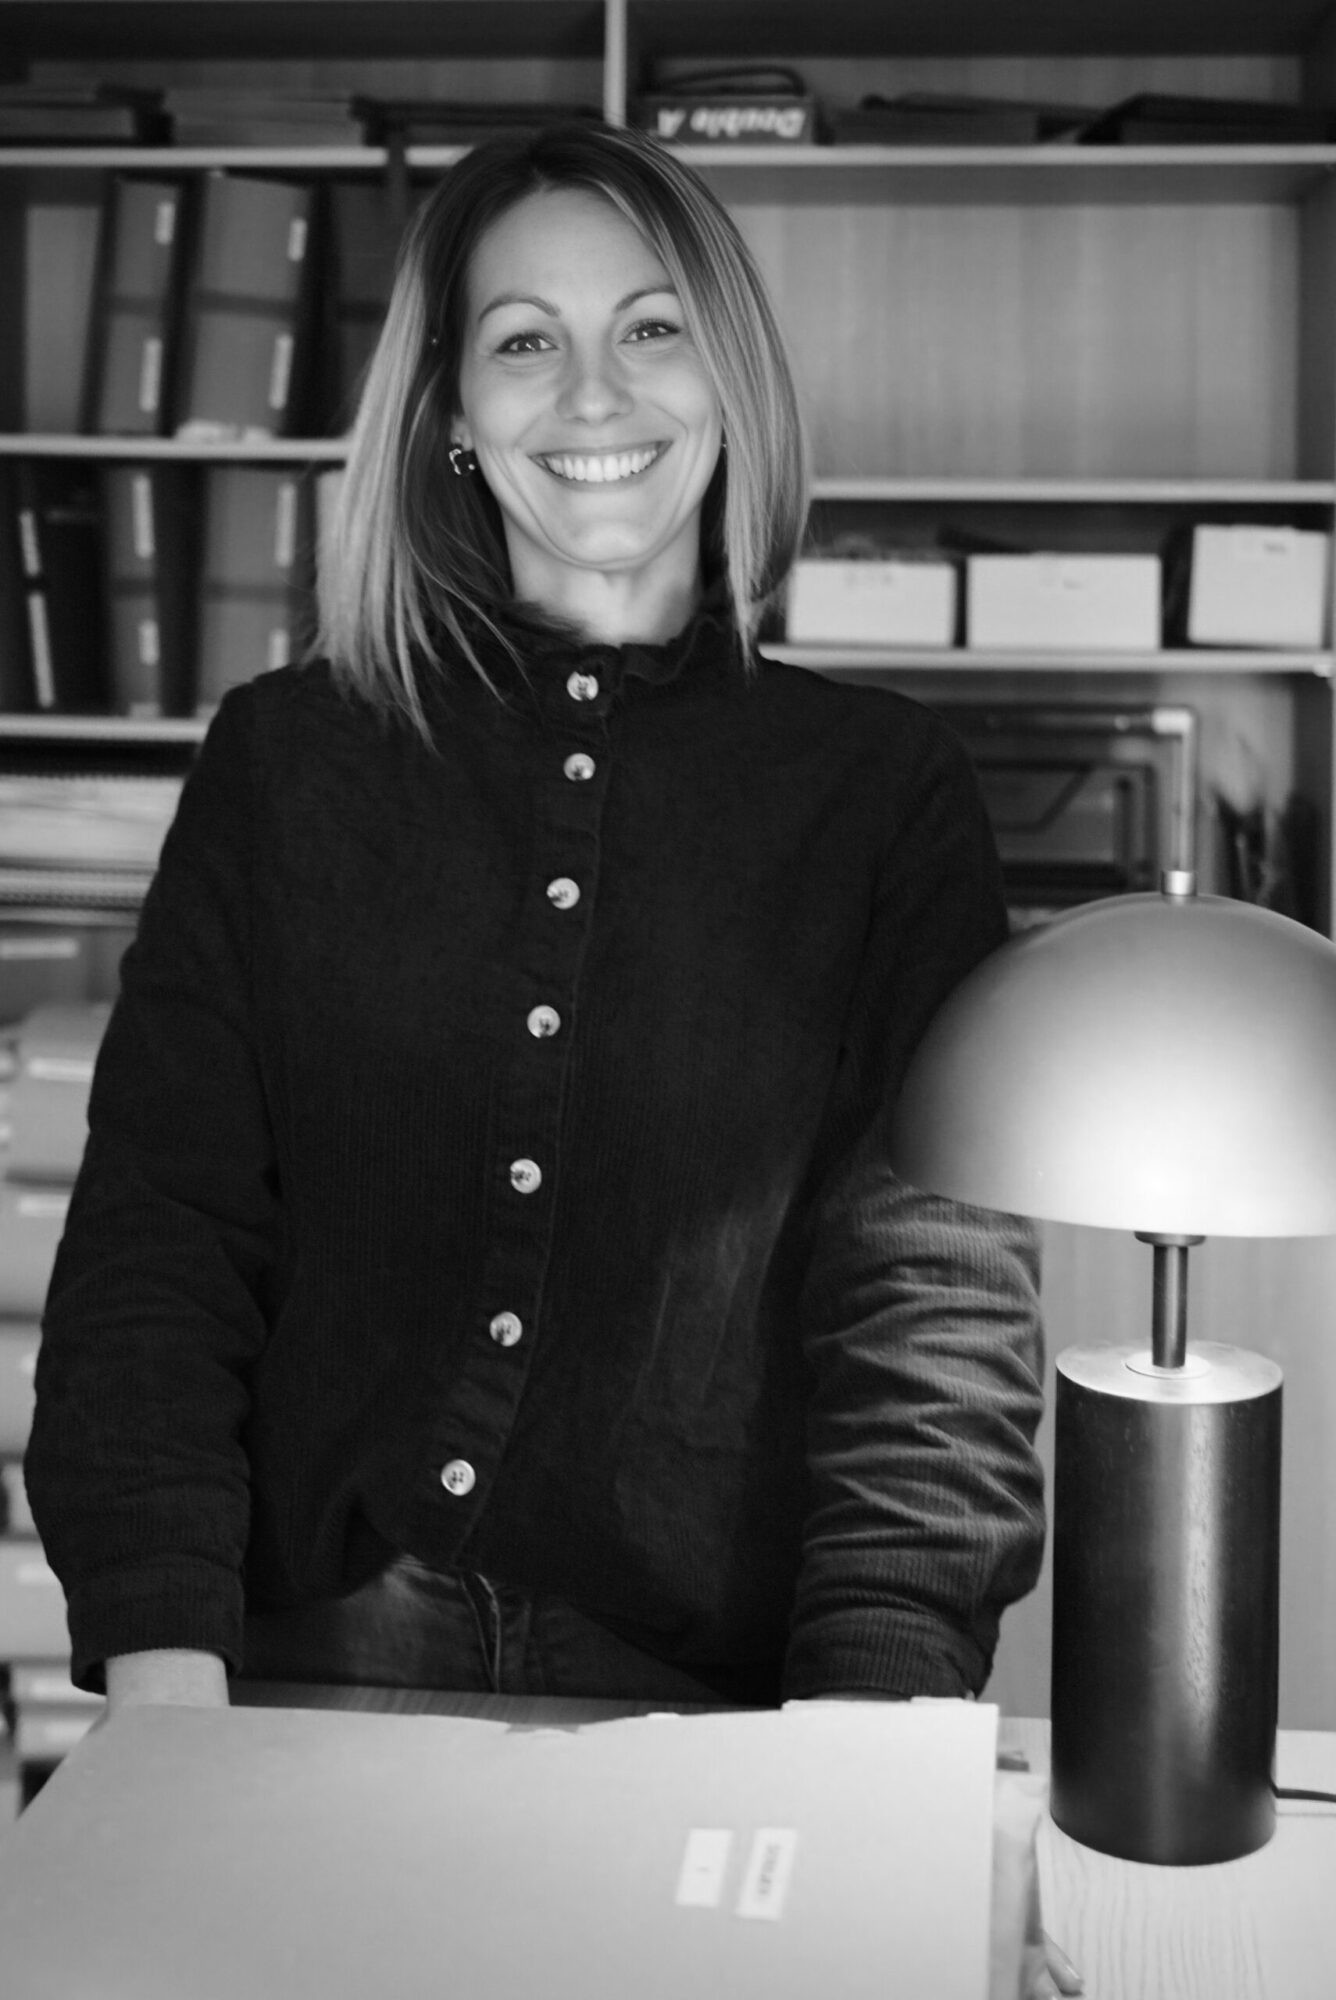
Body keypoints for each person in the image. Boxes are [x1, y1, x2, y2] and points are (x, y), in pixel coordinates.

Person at [26, 122, 1044, 1716]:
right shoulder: (286, 761)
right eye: (524, 341)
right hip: (306, 1658)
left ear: (731, 379)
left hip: (717, 1688)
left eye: (650, 329)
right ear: (450, 413)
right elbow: (162, 1239)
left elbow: (933, 1306)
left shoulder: (882, 792)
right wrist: (165, 1700)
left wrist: (871, 1727)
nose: (591, 394)